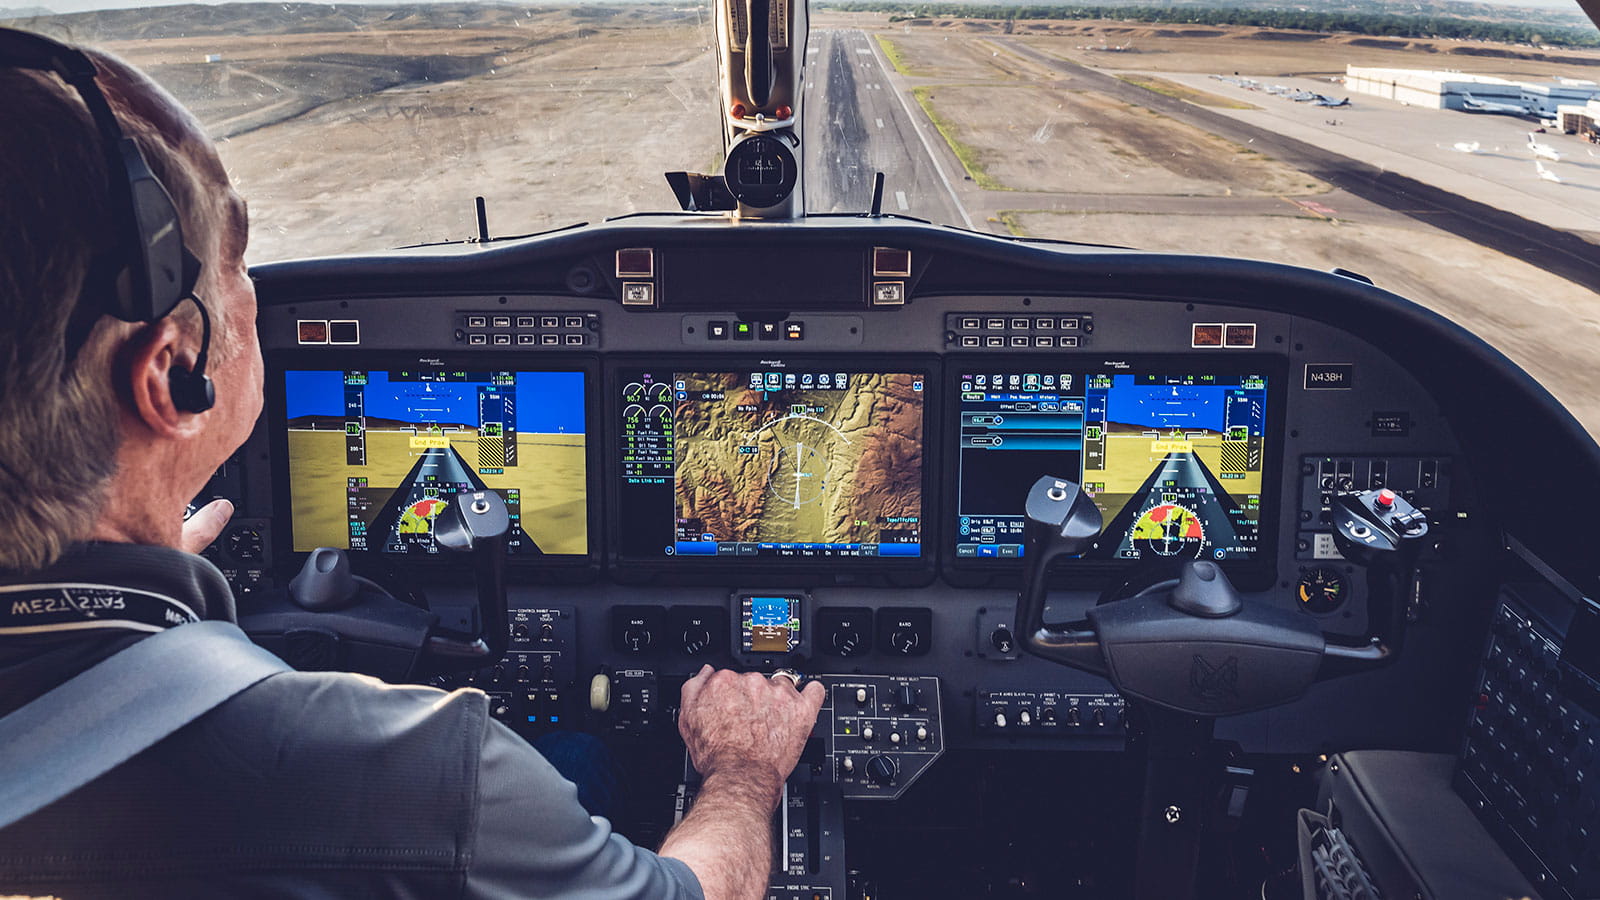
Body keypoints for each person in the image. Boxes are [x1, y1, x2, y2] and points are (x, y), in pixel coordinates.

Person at [0, 31, 825, 899]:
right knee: (581, 759)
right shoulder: (417, 772)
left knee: (580, 748)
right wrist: (743, 767)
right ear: (171, 374)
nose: (254, 291)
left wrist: (137, 568)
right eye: (236, 259)